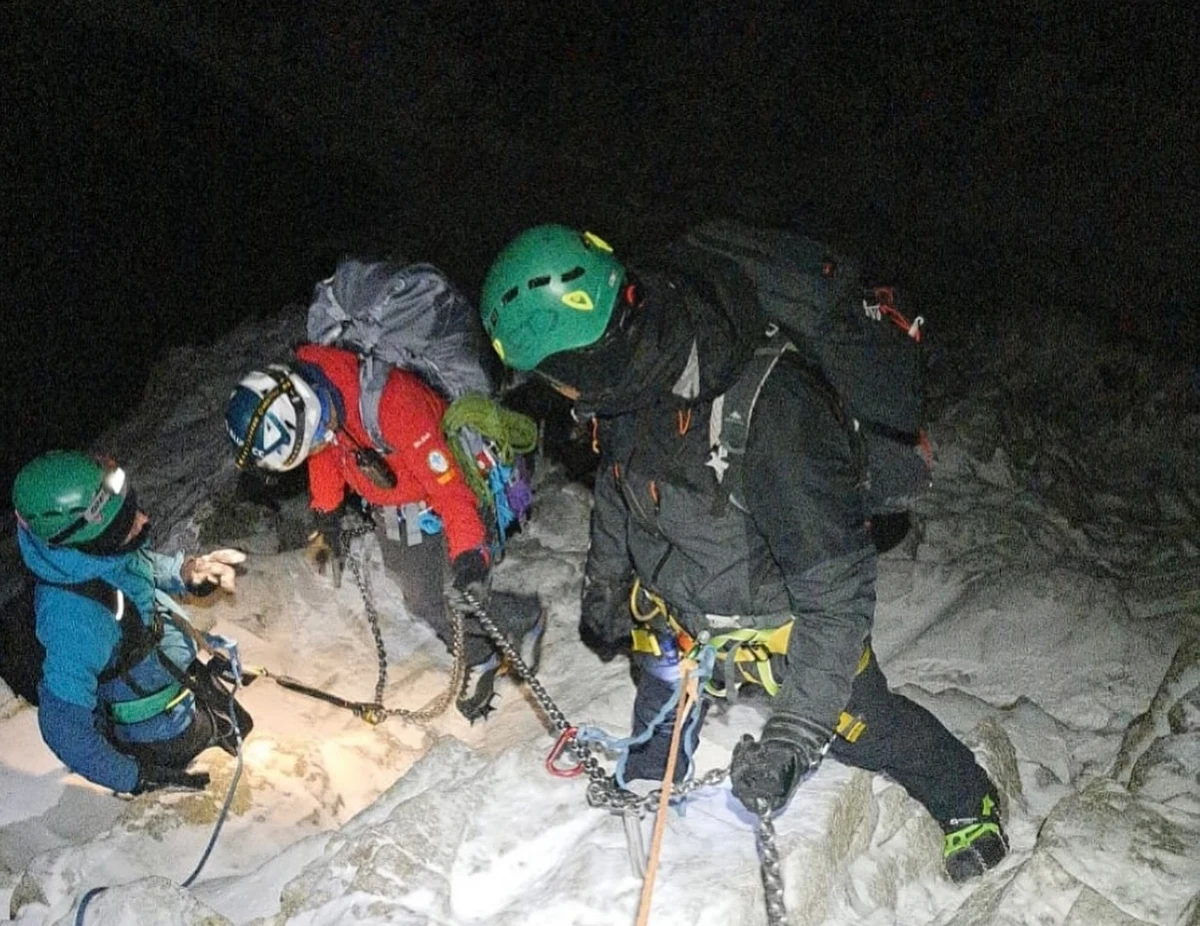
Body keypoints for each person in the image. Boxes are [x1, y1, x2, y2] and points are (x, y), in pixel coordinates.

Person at [477, 224, 1009, 882]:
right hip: (689, 604)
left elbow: (836, 604)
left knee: (866, 725)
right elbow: (618, 490)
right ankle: (661, 766)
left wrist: (790, 742)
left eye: (552, 379)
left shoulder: (773, 415)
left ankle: (968, 800)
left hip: (784, 621)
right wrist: (605, 586)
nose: (556, 394)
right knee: (663, 681)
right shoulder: (625, 389)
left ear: (585, 361)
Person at [224, 344, 544, 720]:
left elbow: (451, 491)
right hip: (396, 505)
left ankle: (522, 617)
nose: (317, 443)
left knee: (457, 590)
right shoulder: (315, 396)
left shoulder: (395, 402)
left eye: (311, 439)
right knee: (422, 598)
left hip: (448, 490)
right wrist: (326, 517)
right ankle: (482, 654)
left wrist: (471, 554)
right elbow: (326, 451)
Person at [12, 451, 252, 796]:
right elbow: (64, 727)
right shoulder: (75, 620)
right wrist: (132, 776)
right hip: (155, 728)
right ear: (90, 539)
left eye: (132, 507)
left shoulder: (89, 552)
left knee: (242, 722)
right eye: (125, 524)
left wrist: (183, 574)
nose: (143, 520)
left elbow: (131, 567)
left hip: (168, 676)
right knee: (237, 755)